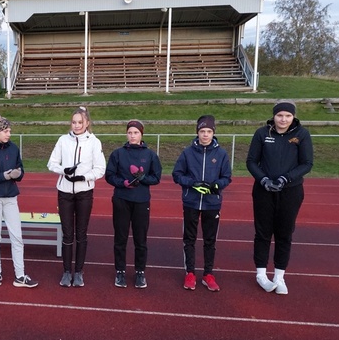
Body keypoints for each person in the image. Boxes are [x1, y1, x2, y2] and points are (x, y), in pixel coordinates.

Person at [246, 100, 313, 295]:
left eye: (288, 116)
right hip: (263, 191)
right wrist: (264, 179)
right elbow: (251, 161)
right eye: (280, 115)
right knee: (263, 232)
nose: (283, 119)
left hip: (291, 191)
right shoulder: (262, 133)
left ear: (293, 117)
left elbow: (307, 163)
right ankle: (261, 274)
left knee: (284, 233)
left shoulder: (302, 134)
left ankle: (279, 276)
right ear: (274, 116)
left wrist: (285, 178)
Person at [0, 114, 38, 288]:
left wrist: (18, 174)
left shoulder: (13, 148)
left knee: (17, 236)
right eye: (6, 131)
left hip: (10, 197)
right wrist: (3, 176)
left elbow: (20, 169)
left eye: (10, 130)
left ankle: (20, 275)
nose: (9, 134)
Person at [172, 115, 232, 292]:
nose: (205, 135)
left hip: (212, 203)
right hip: (191, 202)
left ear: (213, 133)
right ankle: (190, 272)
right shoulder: (187, 153)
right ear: (197, 132)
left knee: (210, 240)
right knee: (189, 239)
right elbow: (177, 174)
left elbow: (226, 177)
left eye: (209, 131)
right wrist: (192, 183)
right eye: (202, 131)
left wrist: (216, 186)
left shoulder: (221, 154)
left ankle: (208, 274)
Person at [47, 106, 106, 287]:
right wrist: (64, 170)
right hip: (64, 193)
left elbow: (100, 169)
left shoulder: (94, 142)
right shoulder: (63, 140)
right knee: (67, 234)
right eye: (74, 122)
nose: (77, 125)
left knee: (81, 233)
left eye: (80, 122)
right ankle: (66, 272)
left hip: (84, 193)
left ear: (87, 123)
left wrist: (83, 177)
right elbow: (51, 163)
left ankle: (79, 272)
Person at [105, 120, 162, 288]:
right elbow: (109, 175)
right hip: (121, 200)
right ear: (126, 134)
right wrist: (123, 183)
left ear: (141, 134)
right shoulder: (117, 154)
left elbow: (156, 177)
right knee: (120, 238)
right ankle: (120, 271)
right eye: (130, 132)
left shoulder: (150, 155)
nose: (132, 136)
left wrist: (143, 178)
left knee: (140, 239)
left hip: (141, 201)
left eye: (136, 133)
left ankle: (140, 272)